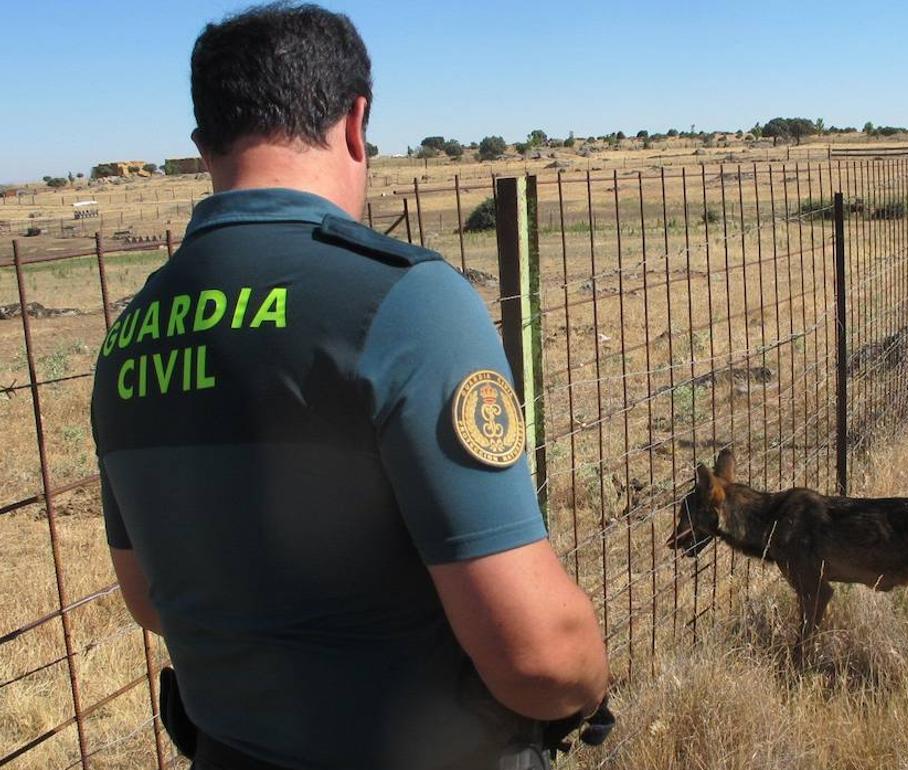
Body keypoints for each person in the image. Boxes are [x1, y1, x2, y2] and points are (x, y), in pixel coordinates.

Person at [89, 5, 608, 769]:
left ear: (204, 146)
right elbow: (539, 658)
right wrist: (589, 686)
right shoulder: (405, 305)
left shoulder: (130, 335)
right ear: (357, 121)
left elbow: (149, 599)